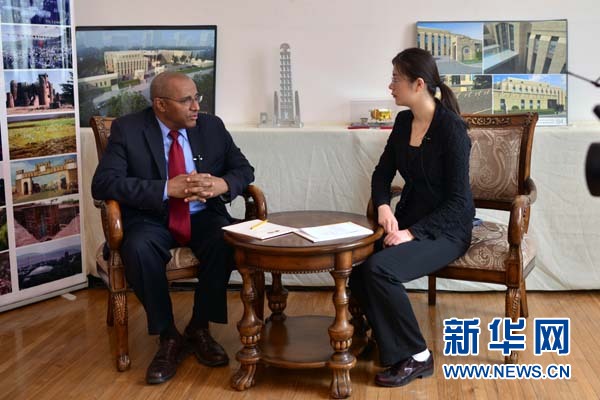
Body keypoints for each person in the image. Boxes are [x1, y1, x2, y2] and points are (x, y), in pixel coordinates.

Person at [91, 72, 254, 384]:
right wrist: (166, 188)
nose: (196, 106)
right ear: (160, 104)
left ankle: (199, 327)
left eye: (197, 97)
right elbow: (103, 184)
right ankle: (168, 336)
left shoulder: (211, 126)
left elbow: (244, 169)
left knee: (226, 240)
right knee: (138, 248)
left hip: (202, 214)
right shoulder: (128, 129)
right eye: (186, 100)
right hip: (151, 217)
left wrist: (221, 184)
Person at [349, 48, 475, 387]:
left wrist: (411, 233)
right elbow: (381, 174)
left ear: (418, 84)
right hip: (409, 220)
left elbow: (459, 202)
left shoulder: (452, 130)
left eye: (395, 79)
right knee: (357, 274)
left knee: (380, 270)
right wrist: (383, 207)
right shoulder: (404, 122)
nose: (390, 86)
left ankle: (418, 356)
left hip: (447, 230)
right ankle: (390, 345)